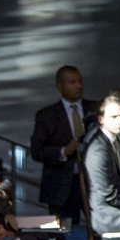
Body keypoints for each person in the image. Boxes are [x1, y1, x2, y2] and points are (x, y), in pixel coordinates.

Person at [32, 66, 95, 224]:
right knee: (65, 233)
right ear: (59, 87)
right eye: (72, 82)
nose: (78, 86)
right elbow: (37, 151)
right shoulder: (47, 115)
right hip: (61, 185)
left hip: (92, 182)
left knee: (97, 229)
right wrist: (64, 151)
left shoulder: (95, 109)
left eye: (80, 81)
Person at [80, 91, 120, 240]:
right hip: (107, 216)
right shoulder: (98, 149)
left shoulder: (115, 141)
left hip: (118, 210)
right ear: (101, 119)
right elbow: (106, 194)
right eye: (114, 117)